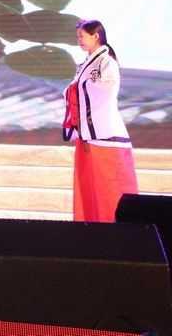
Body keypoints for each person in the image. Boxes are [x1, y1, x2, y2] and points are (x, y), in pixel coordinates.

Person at [64, 19, 138, 222]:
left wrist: (77, 89)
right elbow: (78, 91)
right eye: (77, 37)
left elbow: (105, 91)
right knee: (88, 190)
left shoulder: (107, 62)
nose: (79, 40)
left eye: (82, 36)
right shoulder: (85, 64)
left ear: (96, 36)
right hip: (87, 135)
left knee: (108, 190)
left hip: (105, 135)